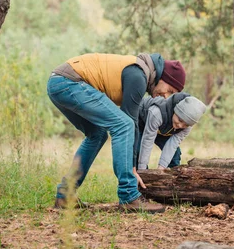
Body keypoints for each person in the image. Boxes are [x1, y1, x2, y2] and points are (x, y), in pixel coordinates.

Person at [47, 52, 186, 213]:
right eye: (169, 89)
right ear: (162, 77)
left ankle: (66, 194)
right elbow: (129, 122)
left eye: (172, 94)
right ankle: (129, 195)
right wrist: (133, 168)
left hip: (58, 83)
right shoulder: (138, 74)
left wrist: (133, 165)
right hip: (69, 82)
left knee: (97, 135)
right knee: (123, 124)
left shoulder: (140, 73)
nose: (166, 96)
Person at [133, 94, 206, 184]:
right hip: (141, 122)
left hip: (163, 128)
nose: (180, 125)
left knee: (175, 154)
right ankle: (141, 185)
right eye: (179, 119)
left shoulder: (187, 126)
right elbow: (147, 141)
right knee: (138, 151)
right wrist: (143, 171)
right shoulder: (157, 113)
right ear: (176, 110)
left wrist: (161, 168)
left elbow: (172, 145)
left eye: (185, 124)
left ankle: (173, 186)